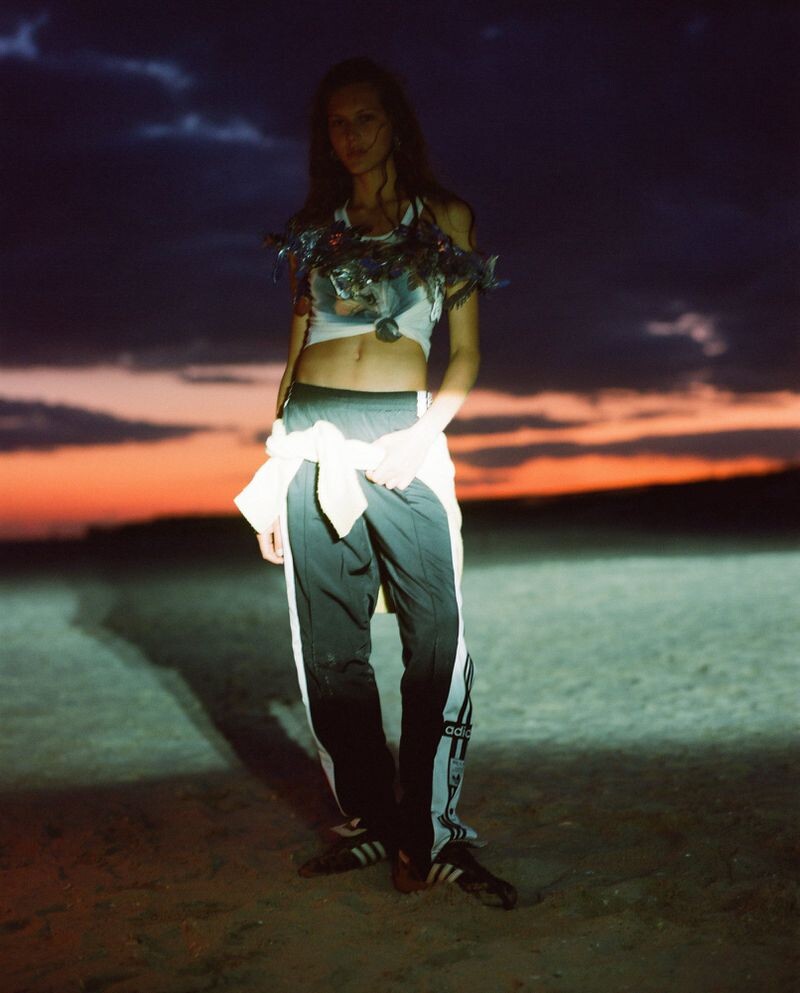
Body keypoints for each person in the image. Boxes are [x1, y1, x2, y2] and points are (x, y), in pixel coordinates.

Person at [235, 57, 516, 910]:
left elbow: (465, 354)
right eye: (337, 123)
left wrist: (424, 435)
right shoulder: (314, 230)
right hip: (312, 439)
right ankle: (370, 818)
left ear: (394, 121)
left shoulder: (446, 217)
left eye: (364, 118)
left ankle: (431, 830)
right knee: (329, 647)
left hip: (405, 436)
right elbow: (292, 362)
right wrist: (273, 471)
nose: (350, 135)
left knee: (436, 636)